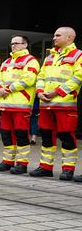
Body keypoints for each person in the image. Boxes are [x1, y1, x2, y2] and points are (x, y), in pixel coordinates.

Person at [33, 27, 82, 181]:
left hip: (64, 104)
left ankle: (68, 169)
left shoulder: (78, 55)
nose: (54, 38)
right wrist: (39, 91)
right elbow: (40, 76)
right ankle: (45, 167)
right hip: (46, 104)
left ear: (70, 37)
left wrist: (57, 92)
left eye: (57, 35)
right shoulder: (49, 57)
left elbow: (77, 78)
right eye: (54, 35)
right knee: (46, 136)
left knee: (66, 136)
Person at [0, 35, 39, 174]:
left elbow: (29, 80)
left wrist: (7, 89)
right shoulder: (6, 62)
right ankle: (7, 162)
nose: (13, 46)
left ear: (25, 45)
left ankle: (22, 163)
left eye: (16, 43)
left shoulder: (31, 61)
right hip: (6, 105)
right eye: (12, 43)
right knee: (6, 135)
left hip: (21, 105)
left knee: (21, 135)